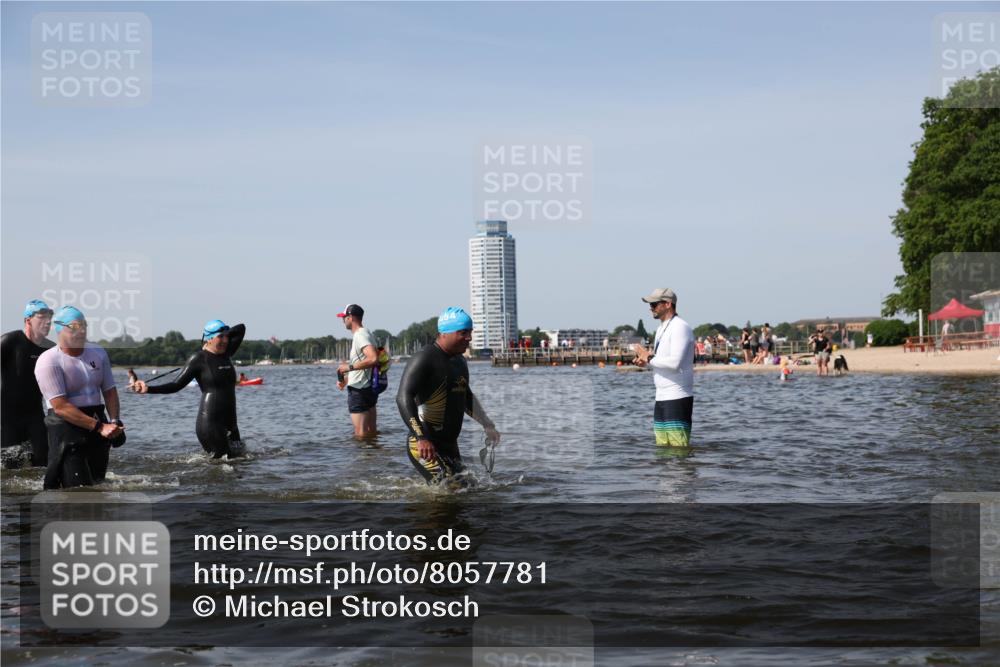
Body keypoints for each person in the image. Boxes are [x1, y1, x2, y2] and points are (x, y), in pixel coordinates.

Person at [396, 307, 500, 484]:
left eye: (470, 332)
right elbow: (403, 398)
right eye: (463, 333)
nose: (469, 338)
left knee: (468, 488)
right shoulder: (424, 358)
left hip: (450, 444)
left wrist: (487, 423)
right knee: (450, 489)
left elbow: (466, 397)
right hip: (424, 443)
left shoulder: (460, 361)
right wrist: (421, 438)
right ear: (445, 333)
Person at [34, 306, 125, 489]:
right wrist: (100, 427)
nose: (82, 331)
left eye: (84, 325)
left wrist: (114, 421)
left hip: (97, 422)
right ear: (59, 329)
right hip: (66, 427)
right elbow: (60, 406)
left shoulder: (98, 352)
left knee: (98, 486)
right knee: (79, 489)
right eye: (75, 327)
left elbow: (109, 391)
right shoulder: (48, 360)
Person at [133, 320, 247, 458]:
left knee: (240, 463)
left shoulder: (226, 352)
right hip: (211, 424)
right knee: (225, 465)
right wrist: (148, 389)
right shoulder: (198, 359)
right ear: (209, 338)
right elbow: (176, 385)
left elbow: (241, 329)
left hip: (231, 424)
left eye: (227, 336)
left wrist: (224, 331)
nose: (225, 340)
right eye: (220, 337)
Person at [632, 288, 695, 447]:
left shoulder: (680, 327)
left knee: (678, 449)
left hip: (677, 395)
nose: (650, 308)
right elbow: (660, 362)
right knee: (662, 449)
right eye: (650, 305)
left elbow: (675, 363)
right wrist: (646, 362)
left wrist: (649, 357)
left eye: (654, 304)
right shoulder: (661, 328)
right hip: (661, 396)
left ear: (668, 304)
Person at [1, 300, 56, 467]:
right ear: (28, 320)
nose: (48, 321)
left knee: (42, 463)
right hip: (6, 416)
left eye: (49, 317)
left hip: (35, 415)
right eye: (42, 317)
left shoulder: (51, 349)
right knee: (9, 466)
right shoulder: (10, 341)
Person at [335, 304, 379, 437]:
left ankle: (362, 452)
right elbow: (367, 362)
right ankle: (373, 450)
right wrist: (347, 379)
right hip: (368, 388)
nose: (343, 321)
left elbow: (373, 358)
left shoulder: (360, 335)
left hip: (359, 391)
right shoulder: (367, 333)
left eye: (344, 317)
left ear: (351, 318)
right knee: (371, 433)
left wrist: (348, 367)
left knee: (360, 435)